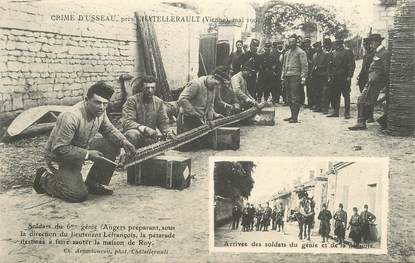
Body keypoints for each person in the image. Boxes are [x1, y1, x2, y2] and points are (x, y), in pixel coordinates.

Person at [32, 81, 136, 202]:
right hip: (60, 158)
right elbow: (59, 149)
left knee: (111, 145)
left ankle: (93, 183)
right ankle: (44, 178)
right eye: (97, 102)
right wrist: (88, 154)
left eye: (105, 103)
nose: (101, 107)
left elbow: (108, 129)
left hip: (81, 149)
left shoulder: (100, 111)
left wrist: (124, 141)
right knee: (77, 194)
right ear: (86, 99)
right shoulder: (71, 116)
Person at [177, 66, 227, 150]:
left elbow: (210, 105)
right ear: (211, 77)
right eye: (215, 83)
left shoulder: (212, 87)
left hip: (199, 120)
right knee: (186, 148)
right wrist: (193, 112)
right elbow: (182, 99)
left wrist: (213, 117)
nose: (216, 86)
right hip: (187, 119)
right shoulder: (196, 84)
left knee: (202, 146)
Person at [349, 33, 391, 130]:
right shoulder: (377, 52)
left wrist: (382, 84)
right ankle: (361, 122)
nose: (371, 45)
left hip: (376, 83)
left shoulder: (384, 53)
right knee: (361, 100)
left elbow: (386, 70)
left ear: (377, 42)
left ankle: (362, 122)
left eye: (372, 43)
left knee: (367, 102)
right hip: (371, 81)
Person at [121, 75, 174, 148]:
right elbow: (128, 122)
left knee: (156, 155)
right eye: (147, 88)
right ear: (142, 88)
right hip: (136, 134)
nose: (150, 91)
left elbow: (163, 121)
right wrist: (145, 129)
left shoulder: (159, 102)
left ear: (155, 89)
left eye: (152, 88)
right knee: (131, 135)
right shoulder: (132, 101)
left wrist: (167, 132)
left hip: (150, 136)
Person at [281, 34, 308, 123]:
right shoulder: (287, 53)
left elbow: (304, 66)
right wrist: (282, 76)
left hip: (295, 77)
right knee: (288, 97)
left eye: (293, 41)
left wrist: (303, 77)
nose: (291, 43)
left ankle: (295, 117)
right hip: (287, 76)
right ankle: (292, 115)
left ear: (296, 42)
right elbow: (284, 65)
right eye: (290, 41)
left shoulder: (301, 52)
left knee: (295, 97)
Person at [327, 35, 356, 119]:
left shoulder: (347, 52)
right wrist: (329, 76)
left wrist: (350, 75)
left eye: (337, 44)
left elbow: (351, 64)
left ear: (341, 44)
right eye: (335, 44)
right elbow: (330, 65)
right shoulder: (333, 53)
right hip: (335, 78)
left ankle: (347, 113)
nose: (335, 45)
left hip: (344, 77)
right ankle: (336, 111)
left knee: (346, 95)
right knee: (336, 95)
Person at [357, 38, 375, 122]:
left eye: (366, 44)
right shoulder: (365, 55)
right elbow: (363, 67)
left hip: (369, 77)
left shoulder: (374, 54)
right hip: (363, 78)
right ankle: (367, 115)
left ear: (370, 44)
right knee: (364, 97)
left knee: (369, 97)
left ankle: (370, 116)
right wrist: (359, 75)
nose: (365, 46)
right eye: (364, 45)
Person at [311, 41, 330, 113]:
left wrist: (328, 76)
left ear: (321, 47)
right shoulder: (314, 55)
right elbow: (313, 65)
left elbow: (328, 66)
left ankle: (325, 108)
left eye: (318, 47)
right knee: (317, 92)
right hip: (316, 76)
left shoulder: (326, 54)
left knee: (324, 92)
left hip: (323, 75)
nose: (317, 48)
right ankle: (318, 107)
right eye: (315, 47)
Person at [301, 38, 315, 109]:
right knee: (307, 88)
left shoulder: (313, 50)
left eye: (307, 42)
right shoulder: (303, 51)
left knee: (312, 88)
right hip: (305, 71)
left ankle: (313, 103)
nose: (306, 44)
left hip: (311, 71)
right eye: (305, 43)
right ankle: (309, 103)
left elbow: (314, 60)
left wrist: (310, 62)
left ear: (309, 43)